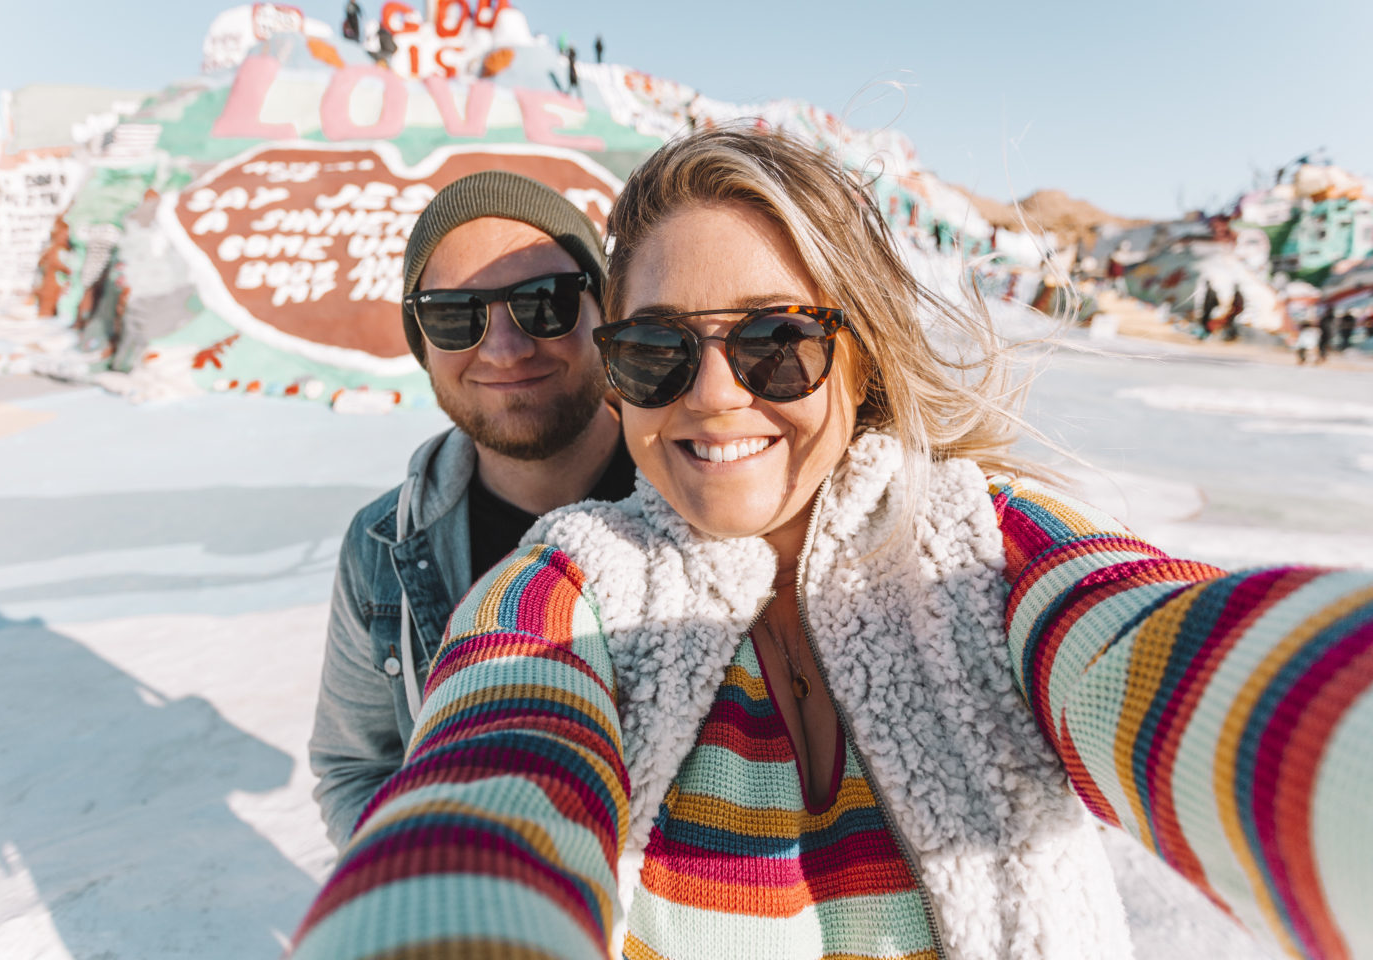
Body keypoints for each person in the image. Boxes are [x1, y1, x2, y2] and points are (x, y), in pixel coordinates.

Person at [288, 128, 1373, 960]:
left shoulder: (984, 553)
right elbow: (490, 768)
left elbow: (1164, 656)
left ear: (860, 360)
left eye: (774, 342)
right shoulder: (576, 583)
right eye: (659, 349)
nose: (713, 395)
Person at [307, 171, 636, 849]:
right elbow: (357, 769)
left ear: (605, 315)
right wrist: (435, 890)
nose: (505, 348)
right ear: (422, 343)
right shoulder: (382, 551)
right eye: (454, 315)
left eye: (544, 302)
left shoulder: (706, 495)